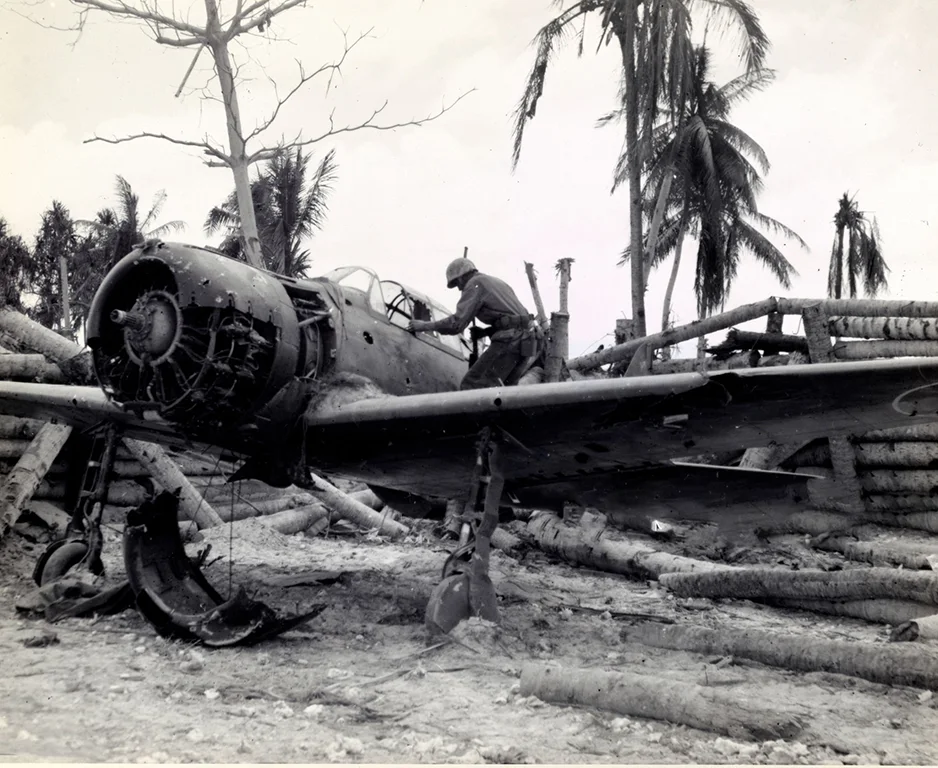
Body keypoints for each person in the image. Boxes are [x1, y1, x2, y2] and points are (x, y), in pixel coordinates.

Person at [406, 257, 541, 390]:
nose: (459, 289)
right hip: (530, 340)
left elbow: (456, 324)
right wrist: (486, 332)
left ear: (460, 278)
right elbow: (513, 319)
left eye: (457, 284)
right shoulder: (496, 282)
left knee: (472, 385)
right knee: (505, 389)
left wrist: (424, 326)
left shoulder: (475, 284)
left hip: (512, 340)